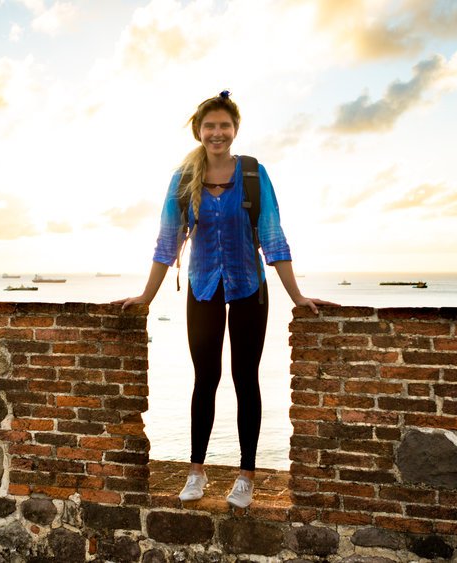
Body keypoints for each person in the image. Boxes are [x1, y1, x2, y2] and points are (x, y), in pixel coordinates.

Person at [113, 91, 336, 508]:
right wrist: (146, 296)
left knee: (246, 379)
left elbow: (272, 236)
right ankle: (195, 471)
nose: (217, 133)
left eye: (224, 126)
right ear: (199, 131)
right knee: (206, 380)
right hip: (201, 288)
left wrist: (297, 296)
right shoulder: (182, 179)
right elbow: (167, 242)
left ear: (235, 130)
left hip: (250, 287)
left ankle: (246, 475)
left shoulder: (253, 174)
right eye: (209, 126)